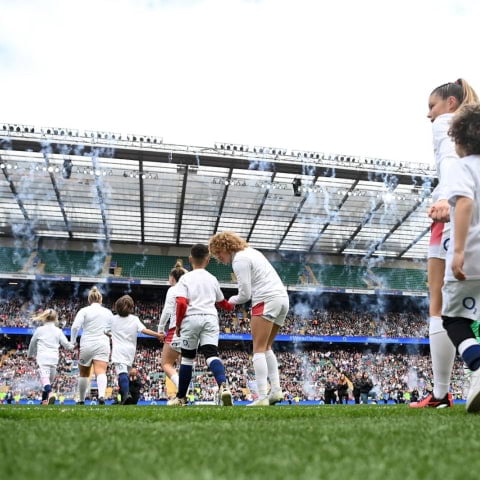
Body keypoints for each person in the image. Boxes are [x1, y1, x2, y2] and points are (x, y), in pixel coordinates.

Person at [411, 78, 479, 409]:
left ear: (450, 104)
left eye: (432, 105)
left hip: (451, 214)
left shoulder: (446, 124)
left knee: (439, 306)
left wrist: (443, 199)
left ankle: (441, 393)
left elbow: (451, 164)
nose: (429, 115)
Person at [208, 231, 289, 406]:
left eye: (218, 253)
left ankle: (261, 397)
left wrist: (230, 301)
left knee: (258, 349)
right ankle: (275, 391)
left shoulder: (239, 260)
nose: (219, 258)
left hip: (265, 300)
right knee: (267, 347)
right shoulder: (253, 252)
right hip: (282, 300)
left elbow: (245, 294)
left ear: (224, 247)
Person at [439, 103, 480, 413]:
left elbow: (464, 203)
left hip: (472, 257)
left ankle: (478, 368)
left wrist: (458, 251)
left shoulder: (462, 167)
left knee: (454, 319)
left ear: (460, 139)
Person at [167, 243, 234, 407]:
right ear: (208, 259)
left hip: (191, 318)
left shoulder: (185, 278)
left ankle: (181, 398)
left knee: (188, 359)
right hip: (210, 318)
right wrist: (234, 304)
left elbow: (181, 303)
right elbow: (223, 303)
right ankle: (223, 385)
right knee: (211, 354)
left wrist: (178, 324)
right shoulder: (212, 278)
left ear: (190, 259)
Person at [111, 294, 163, 404]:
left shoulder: (113, 319)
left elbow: (105, 331)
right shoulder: (134, 319)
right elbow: (144, 330)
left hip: (119, 350)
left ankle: (126, 395)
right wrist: (157, 335)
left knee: (122, 373)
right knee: (125, 374)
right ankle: (124, 395)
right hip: (130, 351)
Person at [70, 286, 113, 405]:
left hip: (87, 344)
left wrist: (73, 342)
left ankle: (82, 400)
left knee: (84, 373)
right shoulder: (108, 312)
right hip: (102, 343)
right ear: (101, 300)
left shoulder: (84, 310)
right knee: (101, 372)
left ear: (89, 300)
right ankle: (101, 397)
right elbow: (111, 330)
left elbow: (75, 327)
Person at [27, 308, 74, 405]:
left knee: (45, 379)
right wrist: (73, 345)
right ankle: (44, 400)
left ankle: (50, 393)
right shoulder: (58, 331)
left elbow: (32, 342)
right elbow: (66, 345)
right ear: (55, 319)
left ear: (44, 318)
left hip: (43, 357)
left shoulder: (39, 330)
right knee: (48, 380)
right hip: (54, 358)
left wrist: (30, 354)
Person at [157, 261, 188, 395]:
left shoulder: (173, 289)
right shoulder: (189, 288)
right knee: (186, 362)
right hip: (192, 329)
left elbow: (167, 310)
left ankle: (183, 391)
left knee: (166, 363)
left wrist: (160, 328)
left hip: (176, 328)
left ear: (172, 277)